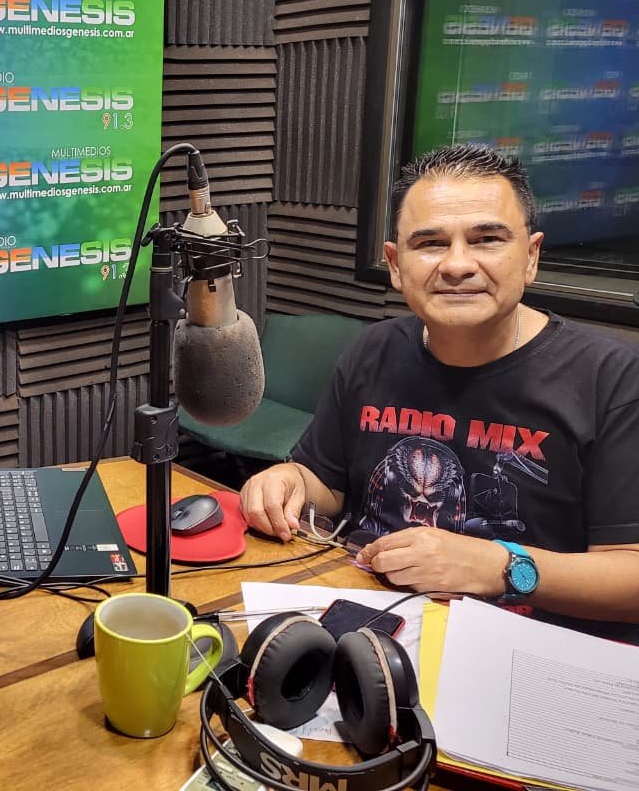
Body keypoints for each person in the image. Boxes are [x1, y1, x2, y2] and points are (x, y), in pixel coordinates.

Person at [240, 144, 639, 638]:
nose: (456, 265)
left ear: (531, 256)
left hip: (523, 645)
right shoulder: (373, 350)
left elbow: (631, 577)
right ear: (395, 263)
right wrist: (290, 481)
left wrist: (500, 567)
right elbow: (327, 484)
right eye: (430, 243)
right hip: (371, 624)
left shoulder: (612, 377)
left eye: (487, 239)